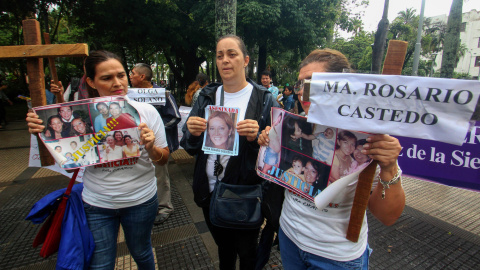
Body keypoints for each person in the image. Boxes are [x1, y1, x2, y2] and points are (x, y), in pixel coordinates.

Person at [257, 49, 405, 269]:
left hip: (336, 256)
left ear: (342, 87)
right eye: (300, 84)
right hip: (289, 238)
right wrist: (267, 140)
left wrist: (390, 167)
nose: (302, 92)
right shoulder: (293, 124)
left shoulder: (365, 138)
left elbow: (388, 216)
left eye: (315, 83)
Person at [26, 50, 169, 269]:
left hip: (141, 200)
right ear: (91, 82)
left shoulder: (146, 112)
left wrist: (151, 148)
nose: (117, 83)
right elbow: (62, 153)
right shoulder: (78, 116)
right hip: (97, 202)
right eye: (106, 78)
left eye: (121, 75)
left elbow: (163, 159)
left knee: (142, 252)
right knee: (101, 264)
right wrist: (40, 129)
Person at [180, 35, 276, 270]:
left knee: (247, 253)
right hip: (208, 190)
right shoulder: (205, 96)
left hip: (243, 193)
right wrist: (192, 132)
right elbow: (190, 147)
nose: (225, 60)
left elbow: (277, 151)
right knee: (224, 251)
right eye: (220, 55)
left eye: (232, 54)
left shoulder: (264, 99)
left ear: (245, 60)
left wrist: (258, 139)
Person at [129, 63, 181, 225]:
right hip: (136, 146)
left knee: (160, 175)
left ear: (142, 77)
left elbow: (175, 116)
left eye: (132, 74)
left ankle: (164, 207)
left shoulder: (163, 94)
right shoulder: (129, 95)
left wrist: (156, 129)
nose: (129, 77)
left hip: (158, 145)